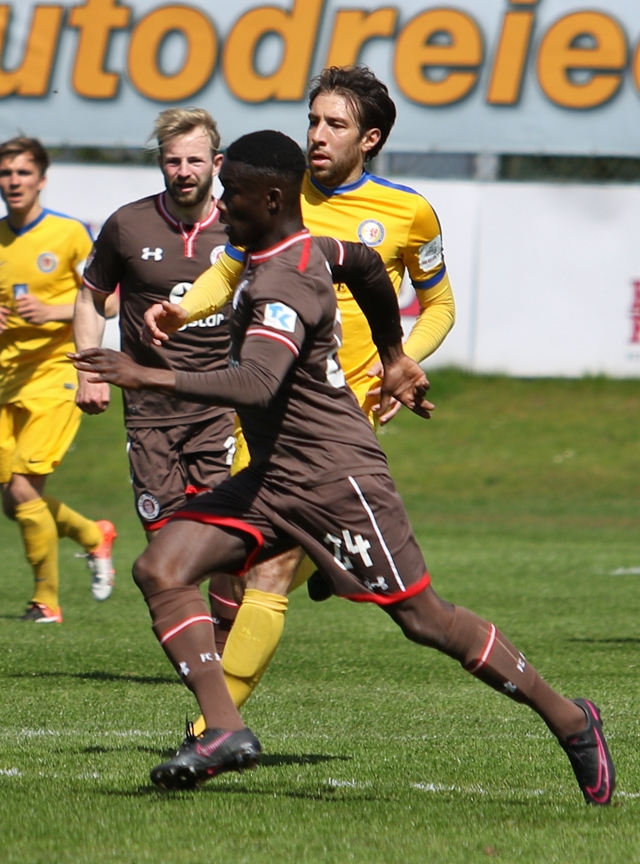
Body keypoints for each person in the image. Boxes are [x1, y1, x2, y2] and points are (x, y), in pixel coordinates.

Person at [72, 130, 614, 805]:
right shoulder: (299, 246)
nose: (222, 202)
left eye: (232, 192)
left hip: (336, 480)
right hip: (274, 478)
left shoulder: (283, 281)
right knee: (161, 567)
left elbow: (257, 384)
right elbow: (360, 262)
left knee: (426, 621)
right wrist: (393, 352)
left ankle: (571, 720)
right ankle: (223, 729)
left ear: (271, 197)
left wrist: (147, 375)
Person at [153, 66, 459, 715]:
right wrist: (184, 310)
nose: (317, 135)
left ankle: (213, 727)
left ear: (370, 138)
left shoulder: (409, 212)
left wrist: (393, 363)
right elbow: (228, 268)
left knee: (264, 571)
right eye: (312, 121)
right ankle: (315, 578)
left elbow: (439, 306)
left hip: (336, 421)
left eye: (335, 124)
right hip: (262, 407)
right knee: (231, 573)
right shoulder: (280, 194)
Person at [74, 109, 243, 549]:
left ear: (217, 164)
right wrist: (89, 372)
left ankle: (226, 622)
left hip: (220, 410)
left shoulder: (241, 229)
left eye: (195, 161)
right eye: (174, 161)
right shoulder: (127, 225)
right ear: (161, 164)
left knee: (223, 545)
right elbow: (91, 296)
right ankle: (188, 619)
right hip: (150, 414)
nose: (184, 172)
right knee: (165, 552)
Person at [0, 136, 116, 623]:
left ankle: (45, 602)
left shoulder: (70, 235)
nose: (13, 181)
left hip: (58, 375)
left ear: (42, 179)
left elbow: (110, 301)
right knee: (15, 503)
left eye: (23, 173)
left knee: (26, 492)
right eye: (5, 174)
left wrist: (54, 311)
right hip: (8, 379)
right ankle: (94, 535)